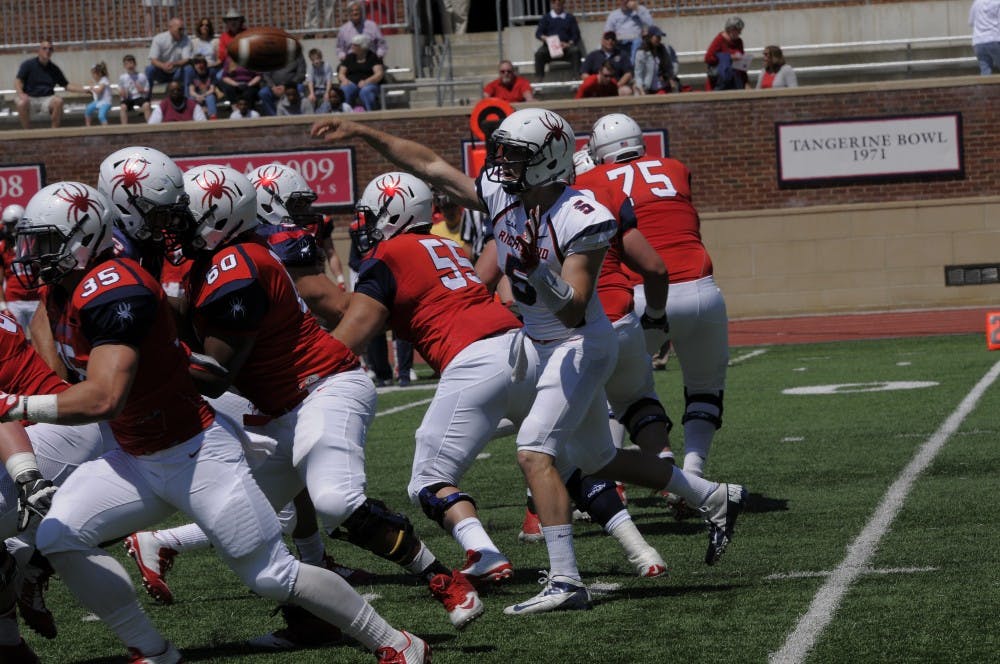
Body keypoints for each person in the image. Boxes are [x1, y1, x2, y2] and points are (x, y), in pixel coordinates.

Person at [312, 110, 748, 615]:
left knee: (534, 451)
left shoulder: (580, 213)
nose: (501, 165)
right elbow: (430, 165)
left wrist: (540, 271)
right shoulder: (504, 196)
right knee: (600, 459)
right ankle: (715, 497)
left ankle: (566, 580)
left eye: (514, 155)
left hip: (580, 344)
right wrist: (366, 133)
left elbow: (575, 306)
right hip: (537, 345)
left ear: (548, 159)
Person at [4, 180, 431, 664]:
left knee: (271, 575)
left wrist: (14, 405)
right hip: (135, 455)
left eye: (43, 243)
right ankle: (152, 651)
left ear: (82, 236)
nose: (30, 254)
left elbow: (103, 398)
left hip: (194, 453)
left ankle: (397, 642)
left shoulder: (112, 288)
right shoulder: (64, 292)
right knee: (60, 536)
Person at [585, 112, 732, 512]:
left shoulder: (591, 181)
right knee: (705, 390)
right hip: (702, 289)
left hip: (643, 292)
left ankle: (612, 483)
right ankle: (695, 478)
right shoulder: (675, 169)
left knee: (621, 394)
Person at [14, 40, 86, 130]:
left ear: (52, 52)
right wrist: (21, 94)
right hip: (30, 98)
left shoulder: (54, 69)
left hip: (47, 99)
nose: (47, 51)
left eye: (50, 49)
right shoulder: (28, 65)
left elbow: (66, 85)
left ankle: (54, 131)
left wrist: (85, 90)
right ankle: (27, 132)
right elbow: (18, 81)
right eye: (44, 48)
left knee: (58, 101)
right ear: (39, 51)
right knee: (21, 103)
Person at [0, 206, 40, 336]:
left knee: (41, 339)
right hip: (14, 300)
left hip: (36, 298)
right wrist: (2, 305)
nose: (8, 229)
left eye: (11, 225)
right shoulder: (3, 247)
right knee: (16, 338)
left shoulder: (34, 243)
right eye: (8, 225)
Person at [533, 0, 582, 81]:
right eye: (555, 2)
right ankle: (539, 79)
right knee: (539, 54)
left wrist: (568, 44)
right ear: (552, 4)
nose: (557, 4)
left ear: (563, 4)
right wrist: (546, 39)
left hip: (566, 48)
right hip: (549, 48)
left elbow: (576, 35)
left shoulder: (570, 18)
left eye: (560, 3)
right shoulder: (546, 18)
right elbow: (538, 33)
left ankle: (577, 77)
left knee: (575, 51)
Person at [145, 16, 192, 101]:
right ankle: (146, 99)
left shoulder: (186, 39)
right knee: (149, 69)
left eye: (183, 29)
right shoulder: (159, 39)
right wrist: (162, 65)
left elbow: (187, 59)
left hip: (177, 72)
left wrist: (173, 64)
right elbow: (153, 59)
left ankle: (187, 99)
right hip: (161, 72)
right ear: (170, 28)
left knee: (188, 69)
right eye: (179, 29)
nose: (182, 32)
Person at [338, 34, 384, 112]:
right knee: (345, 89)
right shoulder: (349, 57)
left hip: (369, 84)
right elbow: (341, 73)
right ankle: (346, 113)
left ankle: (371, 114)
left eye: (355, 45)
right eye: (352, 44)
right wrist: (344, 80)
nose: (352, 46)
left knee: (366, 91)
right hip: (351, 83)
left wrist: (366, 82)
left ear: (363, 46)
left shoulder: (372, 57)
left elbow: (379, 74)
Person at [705, 16, 749, 91]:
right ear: (731, 29)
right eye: (738, 31)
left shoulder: (739, 42)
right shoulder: (719, 40)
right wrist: (729, 57)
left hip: (736, 81)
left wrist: (746, 82)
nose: (740, 33)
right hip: (721, 81)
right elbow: (708, 58)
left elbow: (742, 66)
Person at [603, 0, 654, 64]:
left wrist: (637, 9)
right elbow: (607, 32)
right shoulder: (614, 15)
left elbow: (651, 24)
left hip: (636, 39)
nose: (624, 1)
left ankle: (632, 65)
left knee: (637, 41)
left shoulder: (639, 10)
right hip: (620, 40)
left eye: (627, 0)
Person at [259, 51, 307, 116]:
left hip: (292, 86)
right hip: (274, 87)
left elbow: (301, 73)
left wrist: (286, 87)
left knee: (300, 88)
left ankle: (297, 114)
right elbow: (266, 74)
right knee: (263, 93)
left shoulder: (297, 54)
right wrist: (272, 87)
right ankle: (274, 117)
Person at [633, 26, 678, 95]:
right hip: (647, 88)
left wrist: (670, 78)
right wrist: (641, 90)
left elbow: (669, 68)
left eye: (660, 37)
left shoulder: (664, 50)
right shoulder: (642, 53)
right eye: (657, 37)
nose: (659, 39)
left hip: (664, 87)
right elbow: (638, 74)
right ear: (650, 37)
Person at [118, 54, 152, 125]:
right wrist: (122, 93)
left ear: (135, 64)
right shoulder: (122, 77)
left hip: (139, 97)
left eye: (131, 63)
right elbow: (121, 90)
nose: (129, 66)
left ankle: (150, 124)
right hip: (128, 98)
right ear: (124, 66)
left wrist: (142, 90)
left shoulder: (141, 76)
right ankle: (124, 127)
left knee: (146, 105)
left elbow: (147, 90)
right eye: (127, 64)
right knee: (123, 107)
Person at [969, 0, 1000, 75]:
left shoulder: (976, 3)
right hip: (994, 39)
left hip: (978, 42)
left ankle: (985, 86)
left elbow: (970, 22)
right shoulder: (998, 2)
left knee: (985, 70)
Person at [83, 62, 113, 127]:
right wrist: (90, 91)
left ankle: (106, 129)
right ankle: (88, 126)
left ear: (99, 73)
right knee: (88, 109)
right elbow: (97, 93)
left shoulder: (104, 80)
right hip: (99, 102)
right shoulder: (99, 82)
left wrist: (92, 87)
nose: (93, 76)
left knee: (101, 116)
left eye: (93, 74)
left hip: (106, 102)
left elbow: (99, 91)